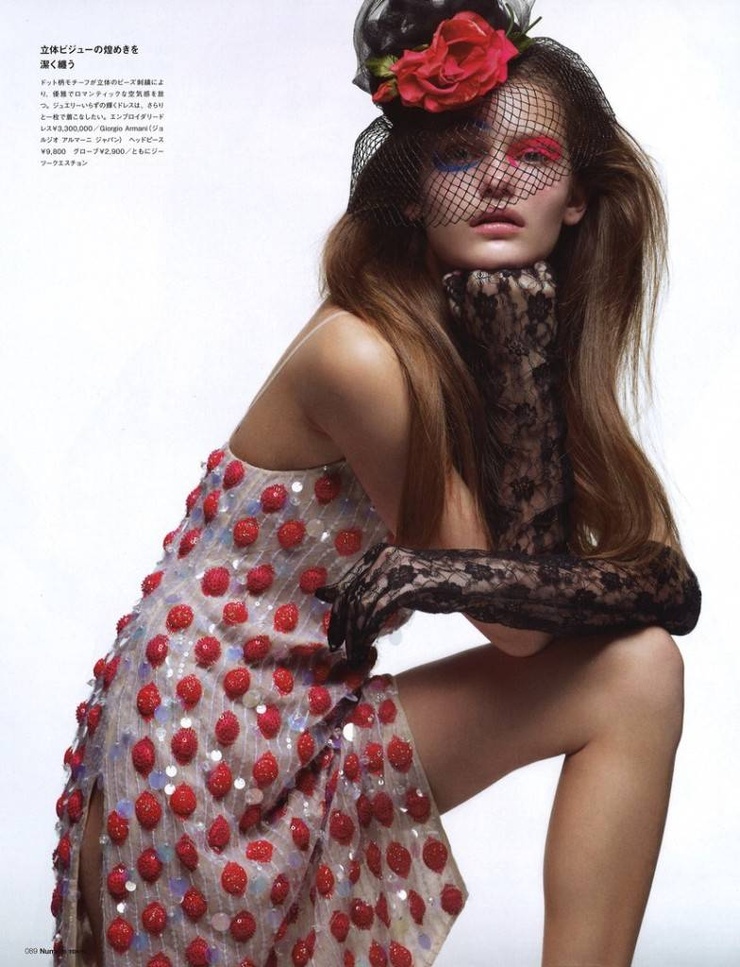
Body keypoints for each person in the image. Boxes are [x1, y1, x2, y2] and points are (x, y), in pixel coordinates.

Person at [51, 1, 700, 965]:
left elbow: (631, 583)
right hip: (211, 750)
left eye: (532, 156)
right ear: (410, 194)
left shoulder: (485, 331)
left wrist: (517, 367)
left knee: (640, 672)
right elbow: (526, 626)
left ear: (575, 198)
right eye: (457, 156)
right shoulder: (362, 358)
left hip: (311, 718)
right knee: (634, 671)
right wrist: (476, 561)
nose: (496, 181)